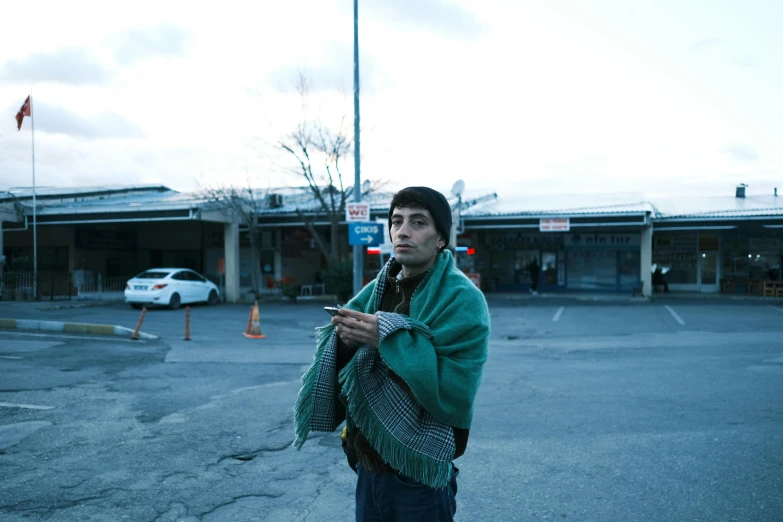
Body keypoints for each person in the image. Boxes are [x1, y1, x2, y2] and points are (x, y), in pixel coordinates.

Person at [293, 186, 490, 521]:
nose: (403, 231)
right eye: (396, 221)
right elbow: (343, 362)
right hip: (368, 464)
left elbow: (454, 391)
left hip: (419, 471)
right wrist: (347, 340)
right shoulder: (379, 287)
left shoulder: (463, 299)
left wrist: (386, 337)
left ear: (440, 238)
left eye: (418, 222)